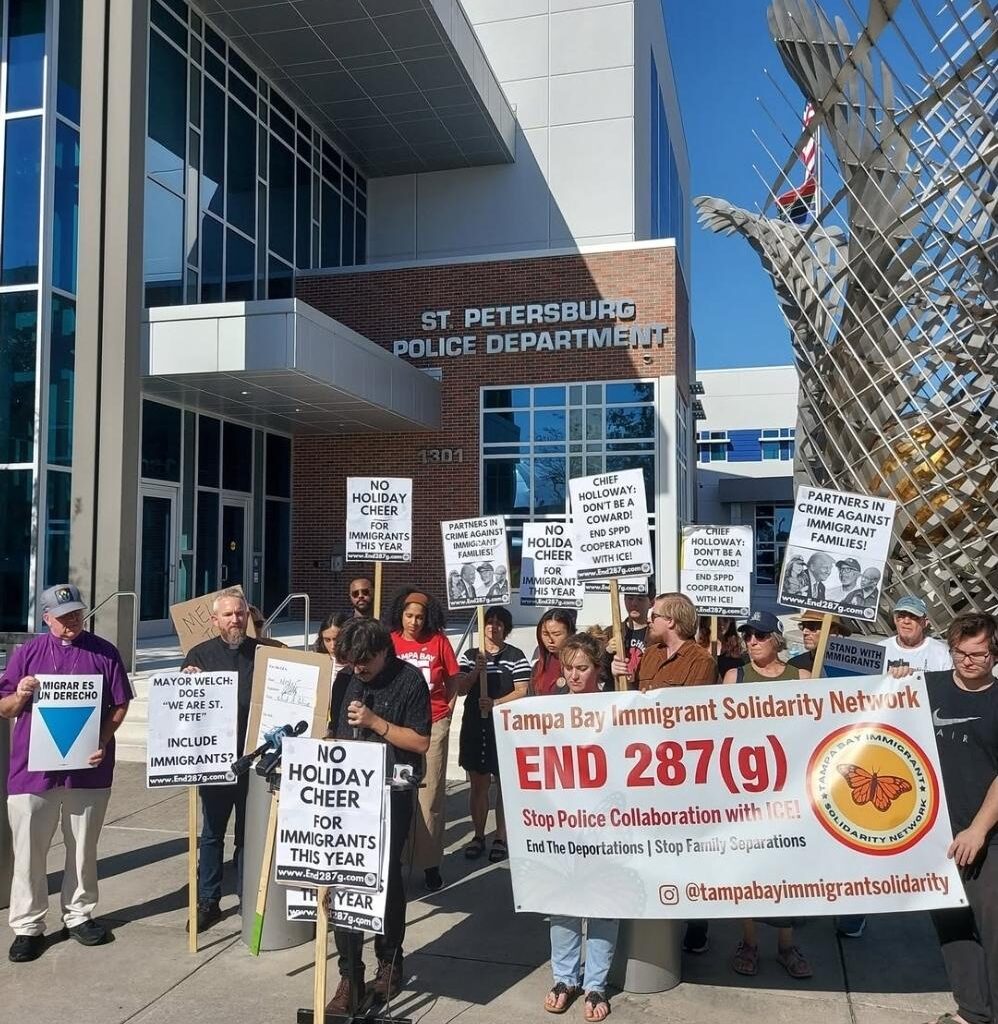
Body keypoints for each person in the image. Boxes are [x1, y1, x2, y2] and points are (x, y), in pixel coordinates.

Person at [1, 584, 132, 963]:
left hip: (87, 772)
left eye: (77, 613)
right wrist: (22, 694)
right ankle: (27, 927)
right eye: (63, 617)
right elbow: (5, 708)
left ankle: (78, 916)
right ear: (46, 619)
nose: (73, 621)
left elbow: (120, 705)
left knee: (83, 850)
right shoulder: (27, 653)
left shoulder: (104, 652)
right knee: (29, 852)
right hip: (32, 773)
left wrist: (104, 739)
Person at [326, 618, 430, 1012]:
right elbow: (336, 731)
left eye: (365, 661)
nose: (359, 669)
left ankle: (389, 961)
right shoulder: (348, 680)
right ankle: (350, 975)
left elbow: (420, 741)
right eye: (352, 662)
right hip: (347, 795)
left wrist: (375, 723)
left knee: (384, 880)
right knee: (343, 881)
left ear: (386, 651)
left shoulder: (410, 682)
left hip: (391, 797)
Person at [724, 610, 812, 979]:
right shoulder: (734, 676)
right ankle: (749, 941)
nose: (752, 641)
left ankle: (787, 945)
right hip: (746, 789)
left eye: (760, 635)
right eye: (748, 635)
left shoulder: (802, 676)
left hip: (789, 788)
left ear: (776, 638)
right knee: (750, 868)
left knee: (788, 868)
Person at [925, 613, 998, 1024]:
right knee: (953, 926)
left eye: (978, 655)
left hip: (986, 836)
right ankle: (973, 1011)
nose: (967, 661)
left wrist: (979, 829)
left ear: (994, 654)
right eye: (959, 653)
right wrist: (895, 678)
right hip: (934, 833)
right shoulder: (927, 687)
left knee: (994, 929)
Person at [543, 633, 618, 1021]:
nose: (573, 675)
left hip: (607, 821)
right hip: (563, 820)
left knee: (604, 903)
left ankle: (596, 984)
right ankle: (565, 977)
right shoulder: (549, 708)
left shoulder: (616, 704)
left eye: (582, 668)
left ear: (597, 668)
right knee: (564, 902)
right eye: (568, 667)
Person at [182, 587, 260, 932]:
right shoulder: (198, 655)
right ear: (214, 620)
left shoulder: (263, 653)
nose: (235, 620)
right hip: (215, 761)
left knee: (248, 834)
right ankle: (208, 901)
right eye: (227, 614)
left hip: (254, 760)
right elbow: (183, 710)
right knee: (213, 833)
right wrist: (187, 684)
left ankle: (247, 898)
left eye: (240, 613)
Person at [387, 589, 460, 892]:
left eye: (419, 616)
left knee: (429, 798)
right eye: (409, 615)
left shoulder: (438, 641)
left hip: (433, 723)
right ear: (400, 615)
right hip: (398, 726)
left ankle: (430, 864)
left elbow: (453, 678)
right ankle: (398, 859)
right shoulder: (389, 641)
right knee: (398, 792)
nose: (414, 622)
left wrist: (449, 711)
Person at [456, 606, 530, 864]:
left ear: (506, 630)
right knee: (478, 784)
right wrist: (477, 669)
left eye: (499, 623)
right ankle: (478, 835)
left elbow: (523, 689)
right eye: (489, 622)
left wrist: (497, 702)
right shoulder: (469, 655)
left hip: (504, 726)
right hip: (475, 726)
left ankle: (501, 836)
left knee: (504, 785)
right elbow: (461, 688)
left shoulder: (516, 656)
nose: (493, 627)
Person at [611, 593, 718, 691]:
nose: (648, 620)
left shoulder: (701, 661)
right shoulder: (649, 654)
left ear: (670, 621)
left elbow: (695, 706)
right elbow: (633, 699)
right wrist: (620, 675)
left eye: (654, 616)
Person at [881, 595, 953, 673]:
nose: (906, 621)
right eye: (901, 616)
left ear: (925, 622)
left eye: (913, 617)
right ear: (895, 620)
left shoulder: (941, 653)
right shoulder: (880, 650)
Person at [604, 587, 652, 687]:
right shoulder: (611, 632)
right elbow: (597, 670)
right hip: (616, 693)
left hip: (643, 693)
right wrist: (607, 652)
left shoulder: (655, 634)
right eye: (630, 598)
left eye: (640, 599)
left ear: (651, 603)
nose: (634, 603)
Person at [315, 611, 353, 729]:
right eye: (327, 640)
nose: (332, 645)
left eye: (336, 639)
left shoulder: (357, 665)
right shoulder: (316, 661)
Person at [530, 609, 577, 696]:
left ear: (570, 633)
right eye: (545, 634)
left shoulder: (578, 666)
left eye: (556, 634)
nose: (550, 640)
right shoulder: (538, 667)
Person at [787, 610, 852, 672]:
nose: (805, 632)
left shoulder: (849, 667)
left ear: (834, 631)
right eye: (803, 626)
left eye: (811, 626)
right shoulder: (794, 665)